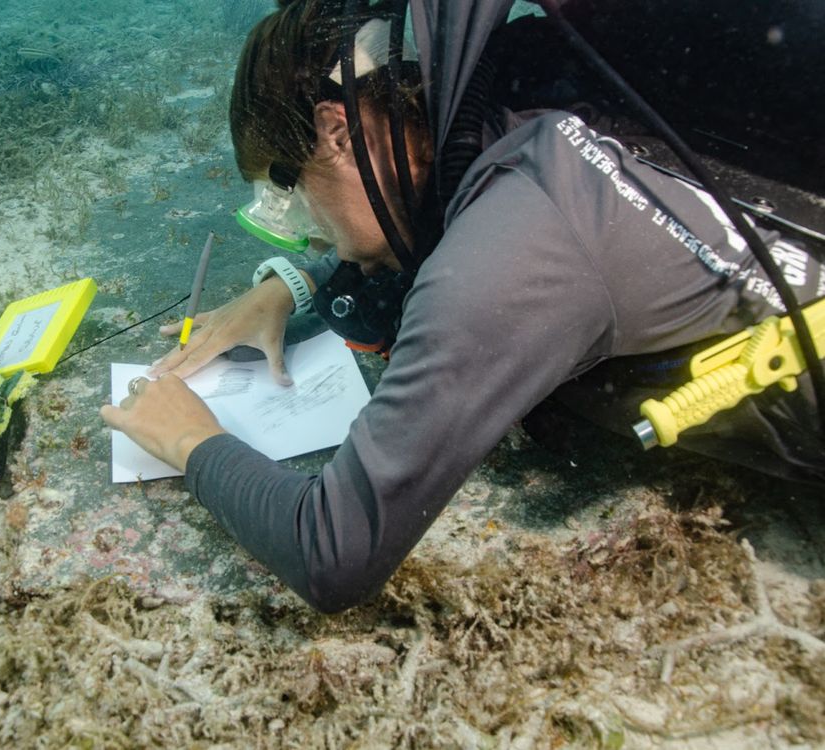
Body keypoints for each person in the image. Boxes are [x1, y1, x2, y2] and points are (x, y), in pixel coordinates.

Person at [101, 0, 824, 613]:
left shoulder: (504, 261)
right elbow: (417, 203)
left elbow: (331, 552)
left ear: (339, 131)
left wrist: (191, 440)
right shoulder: (503, 77)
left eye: (291, 204)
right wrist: (291, 284)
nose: (308, 234)